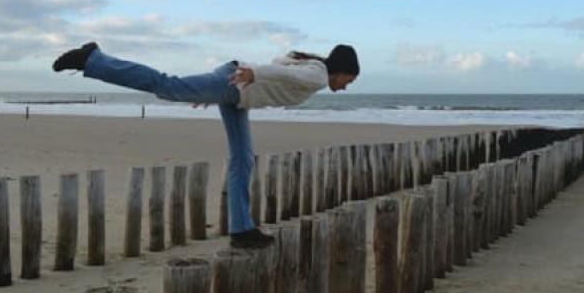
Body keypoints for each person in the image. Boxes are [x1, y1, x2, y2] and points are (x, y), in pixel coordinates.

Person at [52, 41, 359, 249]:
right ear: (341, 69)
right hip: (234, 84)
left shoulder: (311, 68)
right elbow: (275, 70)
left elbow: (280, 66)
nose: (345, 87)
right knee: (167, 84)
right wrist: (253, 74)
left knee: (243, 159)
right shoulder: (319, 74)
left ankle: (242, 230)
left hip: (236, 93)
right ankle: (94, 59)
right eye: (349, 80)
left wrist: (215, 91)